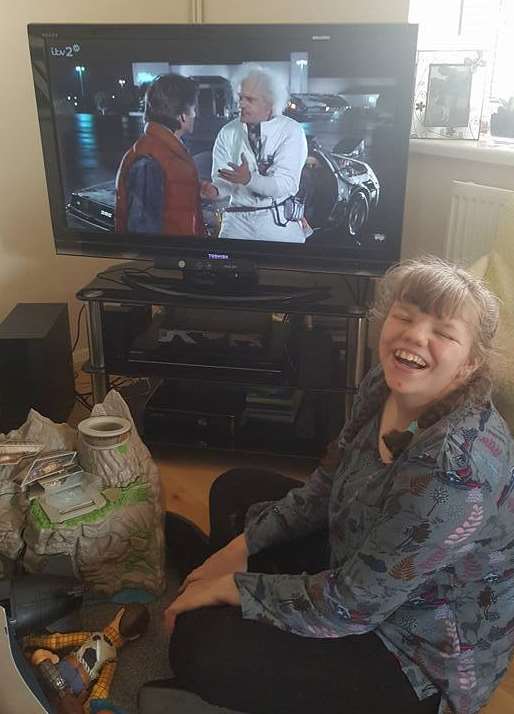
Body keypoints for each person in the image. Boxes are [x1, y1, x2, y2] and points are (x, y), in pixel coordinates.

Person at [164, 256, 514, 714]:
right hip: (360, 555)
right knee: (234, 488)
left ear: (469, 365)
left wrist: (233, 586)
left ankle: (220, 591)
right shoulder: (385, 383)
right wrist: (243, 545)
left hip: (413, 651)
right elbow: (329, 482)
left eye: (443, 332)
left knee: (200, 646)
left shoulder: (453, 469)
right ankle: (231, 580)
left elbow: (352, 603)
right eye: (405, 317)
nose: (414, 335)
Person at [201, 66, 308, 243]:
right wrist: (215, 190)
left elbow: (284, 184)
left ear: (270, 103)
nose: (241, 104)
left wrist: (249, 179)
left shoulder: (291, 131)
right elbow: (224, 180)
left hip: (276, 224)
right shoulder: (227, 132)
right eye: (241, 97)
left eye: (250, 99)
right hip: (236, 224)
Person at [115, 73, 206, 236]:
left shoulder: (166, 150)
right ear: (182, 115)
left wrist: (195, 189)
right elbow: (143, 236)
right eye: (193, 109)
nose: (195, 115)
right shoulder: (148, 161)